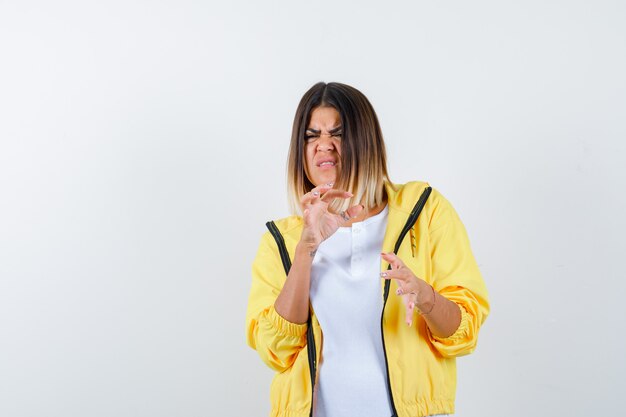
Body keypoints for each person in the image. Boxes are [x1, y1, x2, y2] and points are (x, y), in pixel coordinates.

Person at [245, 82, 489, 417]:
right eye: (311, 135)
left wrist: (426, 297)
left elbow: (465, 333)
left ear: (366, 141)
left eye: (338, 133)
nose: (323, 146)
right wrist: (306, 250)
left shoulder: (425, 211)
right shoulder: (282, 240)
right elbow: (275, 350)